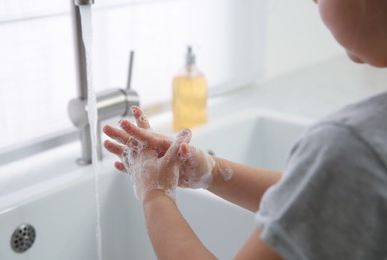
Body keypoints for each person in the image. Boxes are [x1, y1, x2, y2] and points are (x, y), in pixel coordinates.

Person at [102, 0, 387, 259]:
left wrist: (154, 195)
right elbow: (327, 201)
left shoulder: (351, 147)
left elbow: (337, 179)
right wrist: (210, 171)